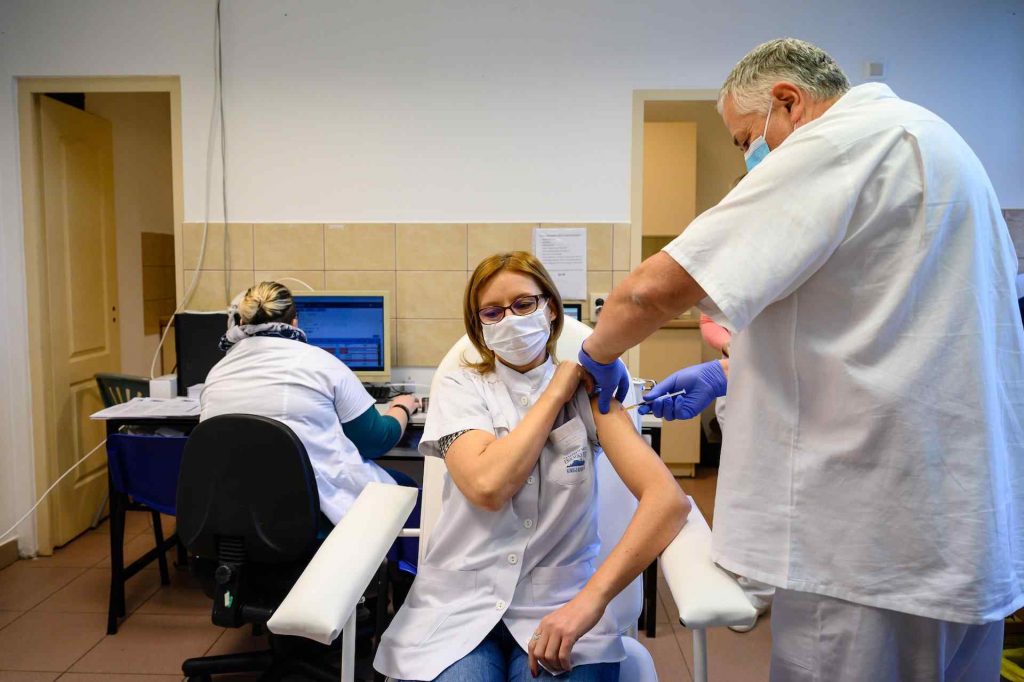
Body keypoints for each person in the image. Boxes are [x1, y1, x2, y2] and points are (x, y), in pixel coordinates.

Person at [579, 38, 1024, 681]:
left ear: (787, 101)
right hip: (959, 535)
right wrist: (726, 373)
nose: (749, 157)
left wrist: (595, 356)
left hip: (861, 547)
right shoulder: (937, 143)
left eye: (744, 140)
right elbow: (888, 329)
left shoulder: (836, 143)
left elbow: (650, 291)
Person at [374, 252, 689, 682]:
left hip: (563, 605)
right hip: (459, 604)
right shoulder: (461, 385)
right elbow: (488, 487)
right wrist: (555, 393)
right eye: (493, 312)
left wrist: (591, 602)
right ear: (479, 326)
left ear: (551, 308)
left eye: (524, 304)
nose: (510, 319)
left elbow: (667, 501)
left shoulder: (590, 390)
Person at [200, 281, 421, 537]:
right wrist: (402, 406)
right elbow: (375, 441)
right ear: (295, 322)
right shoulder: (322, 364)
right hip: (312, 513)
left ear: (240, 322)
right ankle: (386, 562)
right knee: (405, 486)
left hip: (237, 514)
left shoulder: (217, 373)